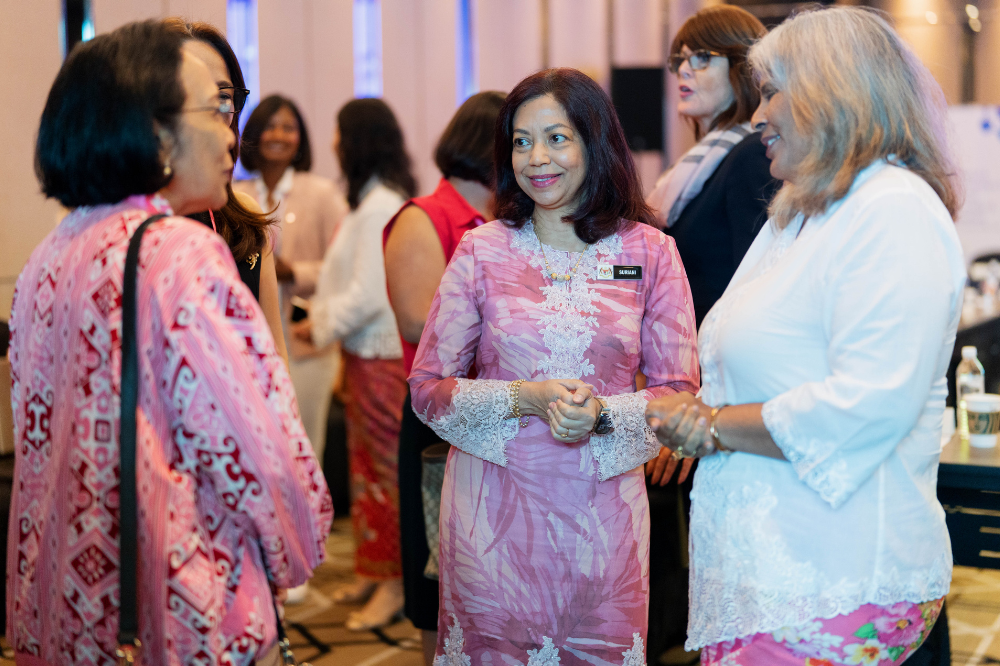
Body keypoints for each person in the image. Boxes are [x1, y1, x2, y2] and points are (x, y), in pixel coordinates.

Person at [8, 20, 332, 665]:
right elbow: (258, 450)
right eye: (214, 109)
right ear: (156, 134)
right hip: (184, 604)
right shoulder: (180, 254)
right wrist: (301, 548)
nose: (230, 131)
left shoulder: (51, 255)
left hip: (71, 601)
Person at [645, 7, 962, 665]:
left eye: (772, 91)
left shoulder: (892, 209)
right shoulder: (806, 210)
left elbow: (869, 403)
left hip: (834, 580)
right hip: (765, 577)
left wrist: (711, 425)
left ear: (832, 90)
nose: (757, 116)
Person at [408, 68, 700, 666]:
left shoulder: (652, 252)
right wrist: (526, 398)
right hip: (492, 522)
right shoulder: (481, 251)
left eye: (557, 138)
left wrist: (600, 417)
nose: (536, 157)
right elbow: (426, 389)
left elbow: (679, 394)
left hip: (603, 527)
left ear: (595, 142)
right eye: (521, 141)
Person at [641, 8, 780, 664]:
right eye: (678, 61)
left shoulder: (755, 153)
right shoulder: (700, 163)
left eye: (702, 58)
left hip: (722, 397)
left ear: (744, 68)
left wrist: (703, 401)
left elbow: (748, 293)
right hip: (694, 393)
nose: (684, 73)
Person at [383, 90, 506, 666]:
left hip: (501, 415)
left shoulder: (508, 222)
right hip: (442, 420)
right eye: (520, 139)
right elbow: (417, 318)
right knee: (440, 574)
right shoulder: (424, 217)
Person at [293, 98, 417, 631]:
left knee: (385, 473)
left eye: (342, 135)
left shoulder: (383, 205)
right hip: (363, 355)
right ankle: (373, 572)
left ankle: (394, 585)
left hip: (382, 355)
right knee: (365, 470)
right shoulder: (366, 202)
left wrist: (317, 325)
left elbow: (369, 294)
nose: (335, 145)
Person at [163, 18, 287, 363]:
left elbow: (273, 352)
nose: (220, 123)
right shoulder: (130, 227)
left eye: (224, 100)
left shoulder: (242, 214)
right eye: (199, 100)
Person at [235, 95, 348, 464]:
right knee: (260, 449)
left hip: (305, 343)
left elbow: (342, 268)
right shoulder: (236, 195)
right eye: (270, 126)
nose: (278, 135)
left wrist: (293, 272)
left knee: (304, 448)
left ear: (301, 138)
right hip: (250, 341)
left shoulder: (322, 193)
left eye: (289, 127)